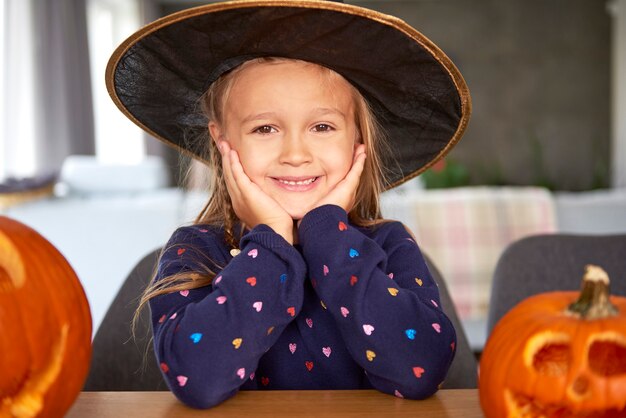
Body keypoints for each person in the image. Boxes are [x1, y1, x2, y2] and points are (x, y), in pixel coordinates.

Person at [106, 0, 471, 410]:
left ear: (356, 141)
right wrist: (272, 242)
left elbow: (421, 368)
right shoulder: (195, 251)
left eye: (322, 126)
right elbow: (199, 381)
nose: (295, 153)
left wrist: (326, 232)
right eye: (265, 128)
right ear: (222, 142)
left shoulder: (390, 244)